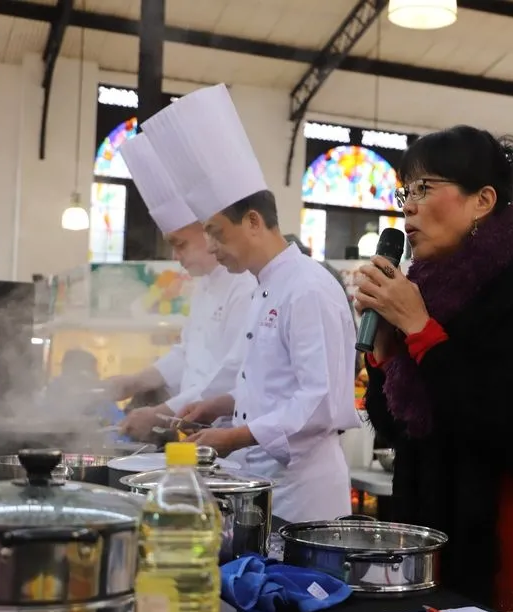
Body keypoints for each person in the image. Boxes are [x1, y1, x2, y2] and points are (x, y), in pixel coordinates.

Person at [354, 126, 513, 612]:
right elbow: (398, 429)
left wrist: (420, 328)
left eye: (425, 188)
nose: (409, 206)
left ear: (482, 201)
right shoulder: (424, 289)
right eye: (406, 191)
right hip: (436, 536)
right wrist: (385, 355)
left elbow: (504, 421)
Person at [140, 84, 359, 521]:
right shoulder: (264, 286)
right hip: (260, 483)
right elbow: (270, 387)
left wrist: (235, 436)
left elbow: (318, 402)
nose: (212, 248)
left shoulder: (307, 287)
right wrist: (221, 404)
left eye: (217, 234)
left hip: (302, 494)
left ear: (254, 222)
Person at [109, 134, 256, 439]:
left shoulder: (245, 284)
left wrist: (161, 413)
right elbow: (187, 354)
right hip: (197, 433)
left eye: (181, 244)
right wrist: (136, 381)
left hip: (230, 435)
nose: (176, 258)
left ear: (209, 231)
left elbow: (231, 375)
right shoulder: (204, 286)